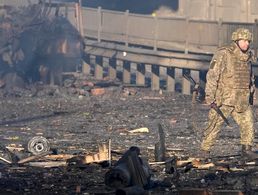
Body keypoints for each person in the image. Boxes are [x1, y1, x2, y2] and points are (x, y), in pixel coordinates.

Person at [200, 28, 256, 159]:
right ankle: (205, 150)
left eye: (248, 41)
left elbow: (250, 78)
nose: (246, 44)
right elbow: (213, 75)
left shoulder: (248, 57)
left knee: (248, 124)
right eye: (243, 40)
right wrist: (210, 96)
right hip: (224, 99)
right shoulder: (224, 54)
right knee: (214, 125)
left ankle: (246, 149)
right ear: (236, 40)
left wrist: (251, 95)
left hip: (241, 99)